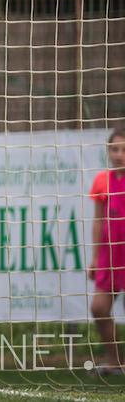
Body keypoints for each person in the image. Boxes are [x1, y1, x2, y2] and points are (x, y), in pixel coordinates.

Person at [89, 126, 125, 373]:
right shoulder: (102, 180)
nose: (119, 154)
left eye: (124, 149)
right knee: (99, 308)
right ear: (108, 152)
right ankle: (115, 360)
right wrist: (94, 257)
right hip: (109, 256)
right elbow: (98, 221)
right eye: (115, 149)